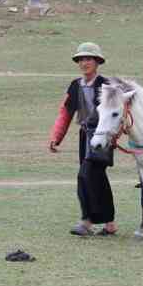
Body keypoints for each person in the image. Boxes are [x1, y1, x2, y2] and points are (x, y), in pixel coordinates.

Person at [48, 42, 117, 237]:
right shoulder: (75, 85)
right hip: (85, 136)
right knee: (98, 178)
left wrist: (114, 137)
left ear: (97, 62)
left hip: (102, 137)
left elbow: (117, 113)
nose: (84, 62)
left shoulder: (107, 86)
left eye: (89, 59)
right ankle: (110, 224)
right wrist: (56, 136)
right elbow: (66, 112)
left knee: (85, 176)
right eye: (81, 59)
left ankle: (86, 221)